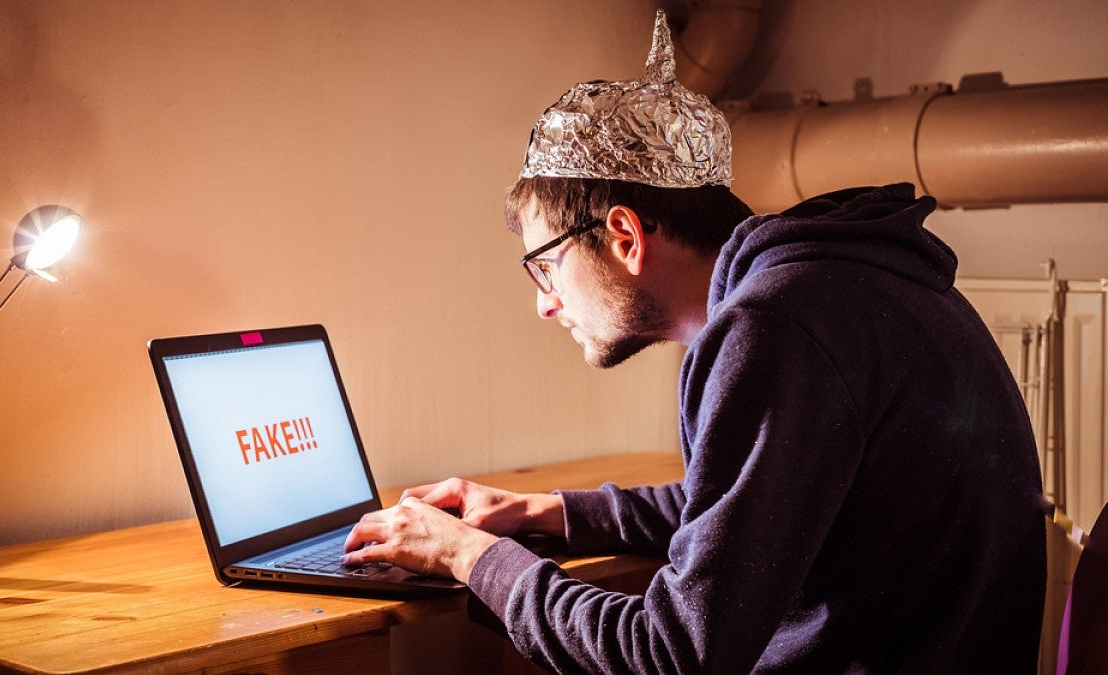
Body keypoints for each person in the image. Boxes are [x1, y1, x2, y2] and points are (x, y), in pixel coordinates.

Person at [344, 10, 1046, 673]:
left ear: (625, 237)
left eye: (547, 265)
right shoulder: (834, 285)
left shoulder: (777, 325)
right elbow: (745, 512)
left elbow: (674, 653)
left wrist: (475, 558)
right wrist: (545, 511)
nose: (545, 302)